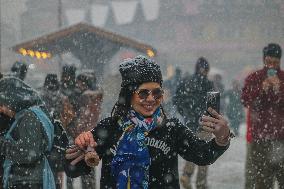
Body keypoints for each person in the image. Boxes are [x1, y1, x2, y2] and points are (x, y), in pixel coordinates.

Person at [64, 55, 232, 188]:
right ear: (130, 94)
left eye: (157, 93)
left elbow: (202, 155)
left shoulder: (171, 129)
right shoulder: (109, 128)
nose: (151, 99)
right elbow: (72, 170)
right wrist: (80, 147)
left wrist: (221, 139)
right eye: (143, 93)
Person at [0, 77, 68, 189]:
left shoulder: (29, 117)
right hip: (29, 179)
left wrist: (2, 144)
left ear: (13, 99)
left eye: (2, 105)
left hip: (28, 181)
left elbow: (28, 153)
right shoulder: (32, 114)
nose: (1, 110)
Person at [241, 43, 284, 189]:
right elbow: (245, 100)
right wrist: (261, 90)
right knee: (261, 181)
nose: (272, 66)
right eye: (269, 62)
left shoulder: (283, 78)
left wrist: (279, 90)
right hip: (259, 138)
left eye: (275, 63)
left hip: (281, 137)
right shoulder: (254, 78)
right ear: (263, 60)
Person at [174, 57, 214, 189]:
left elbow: (176, 100)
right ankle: (200, 183)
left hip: (190, 124)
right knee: (204, 154)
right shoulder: (208, 84)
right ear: (205, 69)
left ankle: (186, 176)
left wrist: (186, 114)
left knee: (192, 152)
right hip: (205, 124)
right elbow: (214, 105)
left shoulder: (185, 82)